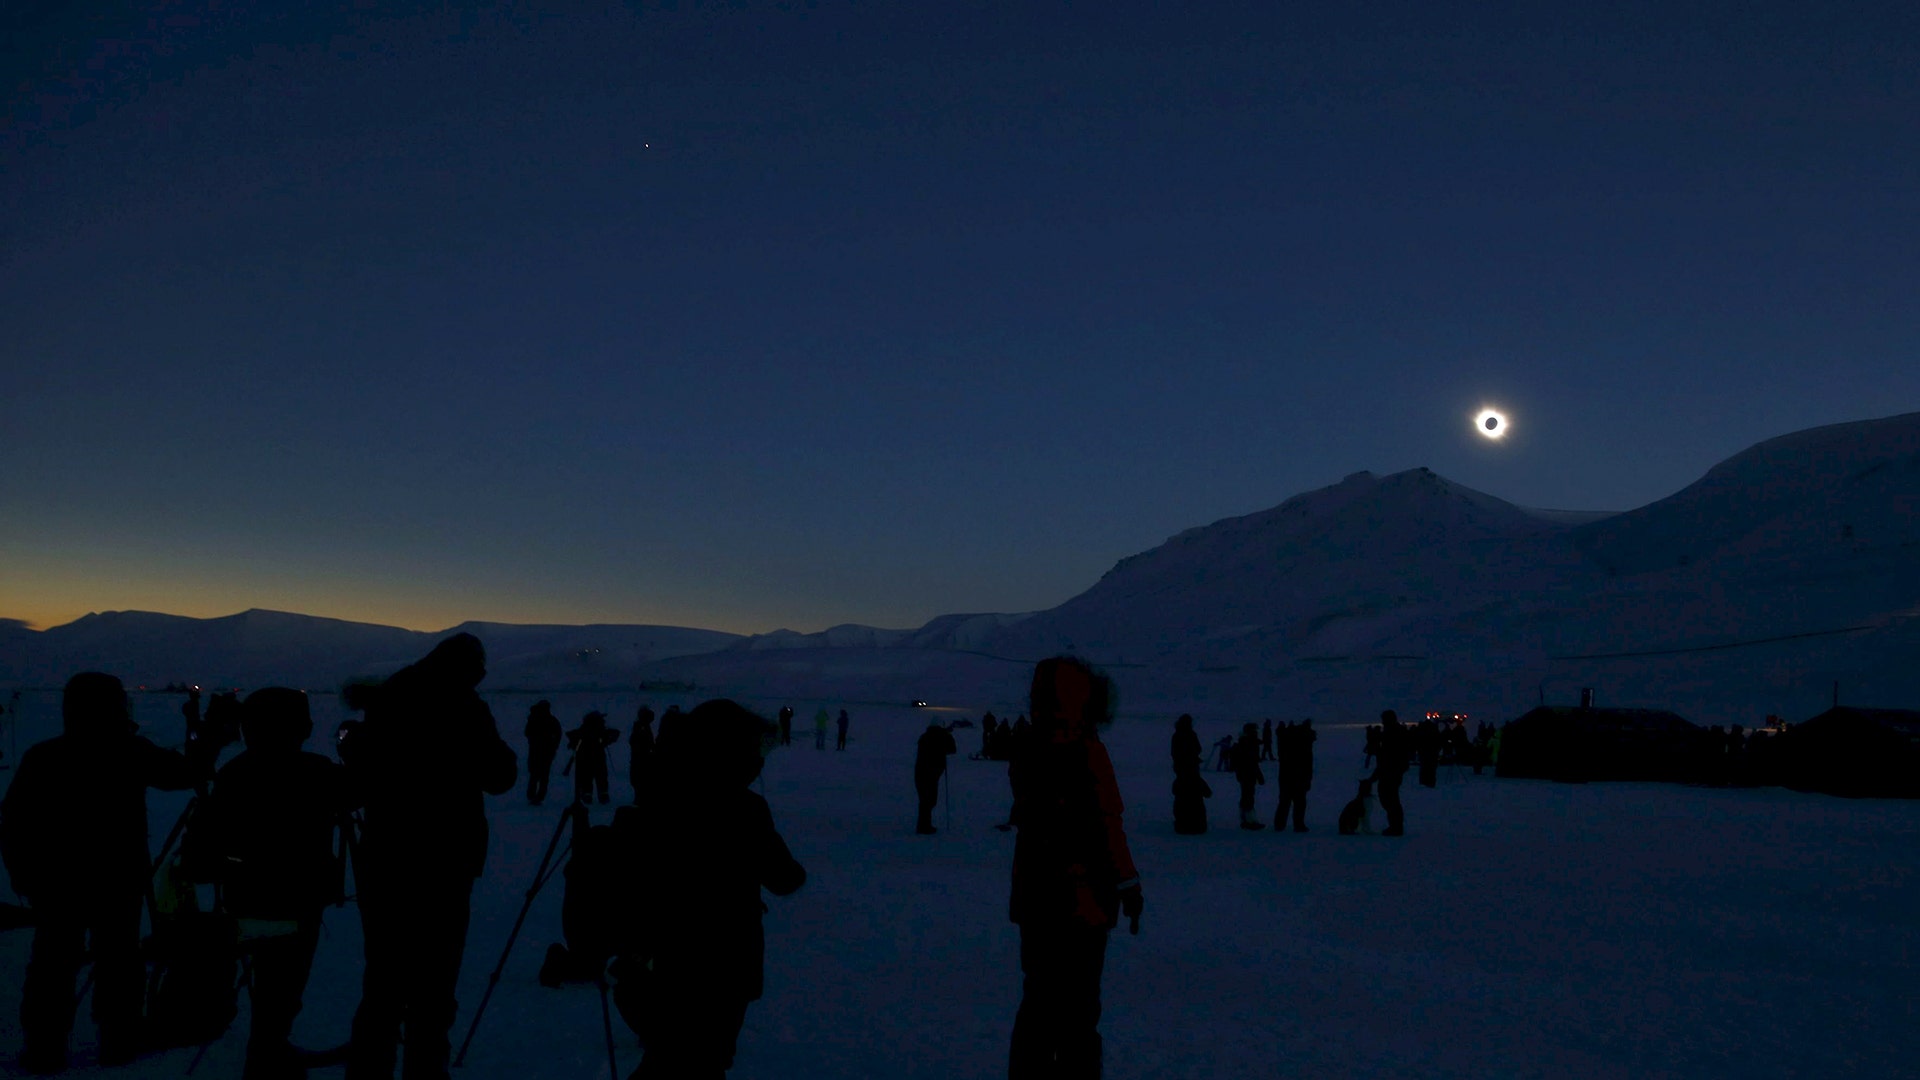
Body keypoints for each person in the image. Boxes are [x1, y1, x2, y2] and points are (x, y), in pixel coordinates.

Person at [2, 672, 217, 1073]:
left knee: (54, 964)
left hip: (58, 885)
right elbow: (188, 773)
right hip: (118, 883)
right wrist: (207, 736)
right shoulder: (129, 752)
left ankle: (44, 1048)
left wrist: (25, 875)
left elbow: (14, 822)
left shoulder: (44, 756)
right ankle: (117, 1044)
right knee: (117, 963)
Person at [338, 633, 517, 1080]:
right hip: (445, 863)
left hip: (386, 859)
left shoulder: (392, 697)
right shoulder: (465, 706)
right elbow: (500, 776)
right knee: (433, 989)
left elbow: (359, 777)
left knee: (382, 983)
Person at [618, 699, 805, 1076]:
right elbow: (785, 878)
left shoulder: (661, 795)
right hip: (722, 965)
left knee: (667, 1057)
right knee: (702, 1061)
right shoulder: (743, 809)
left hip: (665, 960)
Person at [183, 687, 354, 1080]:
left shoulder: (234, 773)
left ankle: (269, 1049)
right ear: (303, 728)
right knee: (282, 989)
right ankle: (266, 1057)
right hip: (298, 904)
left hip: (245, 899)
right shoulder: (317, 771)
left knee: (272, 987)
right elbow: (359, 788)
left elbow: (201, 856)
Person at [1007, 657, 1141, 1077]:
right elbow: (1108, 822)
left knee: (1040, 1005)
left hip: (1037, 899)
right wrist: (1128, 883)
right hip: (1082, 905)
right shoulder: (1086, 751)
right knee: (1078, 1011)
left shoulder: (1029, 749)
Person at [1367, 710, 1412, 837]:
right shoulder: (1393, 731)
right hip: (1391, 770)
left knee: (1390, 799)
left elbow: (1387, 755)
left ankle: (1396, 827)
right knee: (1389, 799)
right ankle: (1396, 826)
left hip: (1391, 770)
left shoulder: (1392, 732)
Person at [566, 711, 621, 805]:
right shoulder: (600, 730)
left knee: (587, 777)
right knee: (601, 776)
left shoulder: (584, 730)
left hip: (584, 758)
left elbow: (572, 737)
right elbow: (613, 734)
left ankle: (588, 795)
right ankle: (602, 795)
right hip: (598, 757)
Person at [914, 721, 958, 835]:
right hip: (929, 773)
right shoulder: (938, 738)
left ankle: (924, 825)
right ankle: (924, 827)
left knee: (926, 800)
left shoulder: (925, 737)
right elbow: (952, 749)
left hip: (923, 773)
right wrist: (947, 735)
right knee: (928, 800)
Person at [1170, 715, 1210, 835]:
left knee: (1183, 798)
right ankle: (1195, 825)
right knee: (1193, 798)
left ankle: (1184, 824)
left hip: (1182, 769)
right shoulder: (1190, 735)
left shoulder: (1177, 735)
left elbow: (1175, 753)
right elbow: (1198, 748)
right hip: (1189, 768)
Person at [1274, 719, 1316, 832]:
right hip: (1300, 776)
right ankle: (1298, 824)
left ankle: (1280, 824)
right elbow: (1308, 763)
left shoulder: (1285, 741)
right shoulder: (1305, 744)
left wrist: (1281, 729)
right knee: (1299, 802)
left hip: (1286, 775)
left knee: (1285, 801)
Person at [524, 701, 562, 805]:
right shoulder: (551, 720)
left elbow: (527, 732)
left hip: (537, 750)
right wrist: (554, 746)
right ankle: (537, 796)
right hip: (544, 750)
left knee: (535, 774)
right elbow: (558, 734)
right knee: (543, 775)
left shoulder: (533, 719)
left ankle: (533, 795)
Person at [1230, 723, 1265, 830]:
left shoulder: (1247, 743)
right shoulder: (1248, 744)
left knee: (1246, 795)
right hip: (1247, 774)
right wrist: (1258, 775)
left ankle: (1246, 819)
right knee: (1248, 796)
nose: (1256, 732)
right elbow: (1251, 761)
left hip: (1245, 774)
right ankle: (1250, 820)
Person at [630, 705, 657, 804]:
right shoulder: (641, 727)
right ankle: (640, 798)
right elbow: (637, 742)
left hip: (642, 758)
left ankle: (642, 797)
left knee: (641, 779)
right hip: (642, 759)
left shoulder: (643, 726)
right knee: (641, 779)